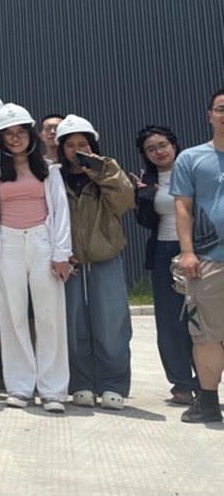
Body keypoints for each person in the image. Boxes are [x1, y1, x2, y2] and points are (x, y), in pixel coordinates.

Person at [0, 104, 72, 413]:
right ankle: (20, 387)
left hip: (42, 242)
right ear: (1, 138)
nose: (15, 139)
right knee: (12, 315)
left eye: (20, 133)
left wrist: (61, 254)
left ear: (30, 134)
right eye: (8, 134)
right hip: (8, 244)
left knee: (49, 316)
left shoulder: (49, 170)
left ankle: (53, 391)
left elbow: (61, 213)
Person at [57, 114, 134, 410]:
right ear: (62, 149)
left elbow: (125, 200)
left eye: (83, 144)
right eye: (70, 145)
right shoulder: (55, 178)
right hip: (70, 264)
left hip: (104, 258)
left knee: (112, 324)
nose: (77, 150)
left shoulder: (106, 174)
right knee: (73, 325)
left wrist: (102, 170)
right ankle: (81, 383)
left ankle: (114, 385)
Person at [133, 124, 199, 406]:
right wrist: (144, 197)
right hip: (164, 251)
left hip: (200, 250)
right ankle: (181, 384)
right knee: (171, 320)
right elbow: (147, 222)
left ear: (174, 145)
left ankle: (206, 381)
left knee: (206, 319)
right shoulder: (148, 180)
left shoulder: (195, 170)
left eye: (162, 145)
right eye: (151, 149)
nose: (158, 152)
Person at [172, 88, 224, 423]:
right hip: (208, 260)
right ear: (210, 115)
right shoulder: (190, 158)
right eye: (221, 108)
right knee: (206, 335)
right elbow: (182, 207)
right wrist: (188, 252)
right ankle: (208, 402)